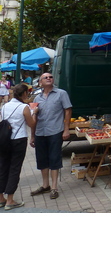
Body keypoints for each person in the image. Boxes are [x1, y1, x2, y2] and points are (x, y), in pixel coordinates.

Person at [30, 72, 72, 200]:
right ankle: (45, 185)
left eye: (50, 77)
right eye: (45, 77)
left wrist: (66, 129)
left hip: (55, 131)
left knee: (54, 158)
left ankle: (54, 187)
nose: (49, 78)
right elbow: (34, 117)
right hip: (40, 132)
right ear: (40, 82)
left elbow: (68, 110)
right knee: (42, 159)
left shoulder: (61, 93)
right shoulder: (37, 98)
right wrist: (32, 136)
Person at [0, 83, 37, 210]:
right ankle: (10, 200)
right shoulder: (24, 107)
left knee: (3, 167)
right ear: (24, 94)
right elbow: (31, 124)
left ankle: (1, 198)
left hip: (4, 140)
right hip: (18, 140)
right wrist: (34, 112)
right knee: (15, 169)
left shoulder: (5, 106)